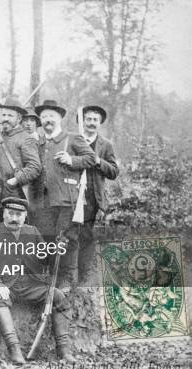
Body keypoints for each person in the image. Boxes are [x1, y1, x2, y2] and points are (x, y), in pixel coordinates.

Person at [0, 197, 76, 365]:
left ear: (25, 216)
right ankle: (14, 351)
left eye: (19, 214)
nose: (14, 218)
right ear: (4, 213)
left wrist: (58, 250)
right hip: (7, 284)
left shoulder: (33, 231)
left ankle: (64, 350)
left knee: (58, 296)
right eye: (11, 213)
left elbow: (45, 258)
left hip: (32, 284)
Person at [29, 100, 95, 292]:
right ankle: (50, 277)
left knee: (68, 238)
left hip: (67, 199)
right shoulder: (38, 142)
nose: (47, 120)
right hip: (43, 201)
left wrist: (71, 160)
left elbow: (91, 158)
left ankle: (66, 279)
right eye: (44, 116)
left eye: (51, 116)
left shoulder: (73, 138)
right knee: (47, 239)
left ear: (59, 118)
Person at [77, 105, 119, 281]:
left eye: (95, 120)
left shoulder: (106, 145)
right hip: (72, 195)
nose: (92, 123)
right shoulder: (74, 140)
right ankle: (68, 272)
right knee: (70, 233)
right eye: (88, 119)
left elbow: (114, 171)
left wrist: (98, 161)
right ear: (82, 121)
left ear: (100, 123)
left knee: (86, 235)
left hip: (93, 198)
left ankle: (83, 275)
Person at [0, 97, 41, 225]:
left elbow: (34, 167)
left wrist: (15, 181)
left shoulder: (26, 139)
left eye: (10, 115)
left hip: (15, 198)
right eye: (4, 114)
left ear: (19, 118)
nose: (5, 118)